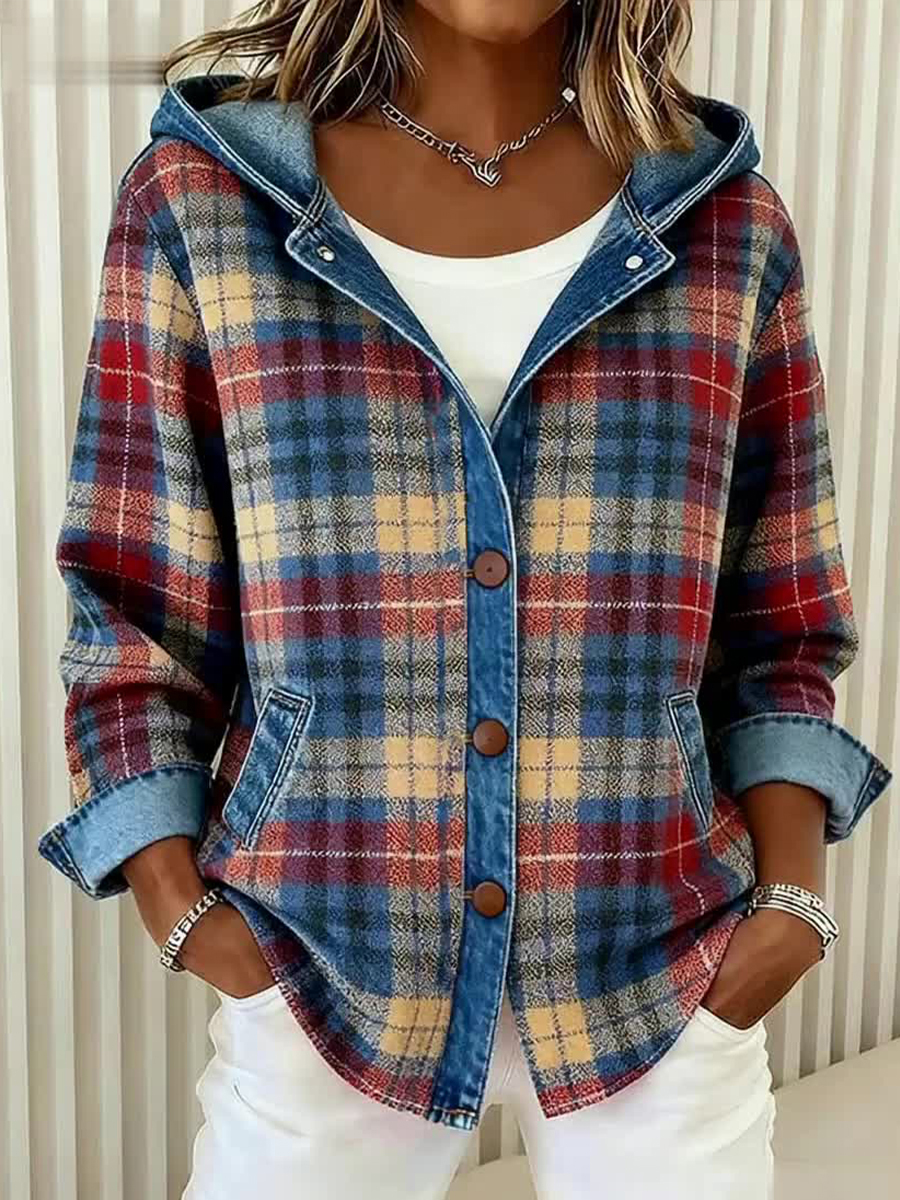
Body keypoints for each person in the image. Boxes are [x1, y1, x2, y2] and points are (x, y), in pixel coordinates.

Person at [37, 1, 892, 1197]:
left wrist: (793, 905)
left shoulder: (725, 226)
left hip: (662, 969)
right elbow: (135, 608)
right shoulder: (203, 205)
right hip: (323, 972)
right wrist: (182, 911)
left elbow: (779, 621)